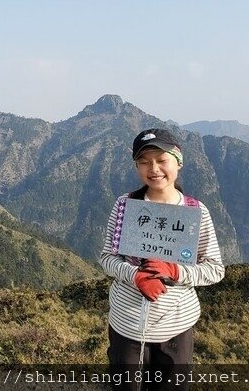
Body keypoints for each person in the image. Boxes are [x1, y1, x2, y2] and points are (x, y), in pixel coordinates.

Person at [99, 128, 224, 390]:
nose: (153, 168)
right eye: (144, 162)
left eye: (161, 160)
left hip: (176, 327)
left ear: (178, 162)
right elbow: (107, 258)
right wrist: (135, 275)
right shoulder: (125, 205)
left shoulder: (196, 212)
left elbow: (214, 269)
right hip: (127, 324)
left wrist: (176, 271)